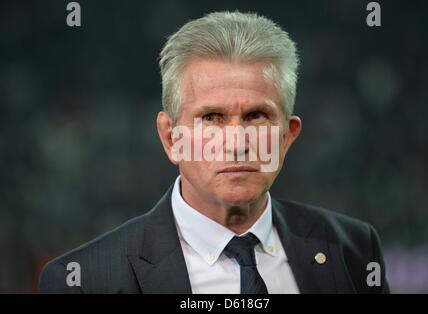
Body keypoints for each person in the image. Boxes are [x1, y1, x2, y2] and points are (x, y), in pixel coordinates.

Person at [39, 11, 389, 294]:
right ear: (170, 137)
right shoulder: (84, 281)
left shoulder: (353, 250)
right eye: (212, 118)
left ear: (287, 136)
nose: (237, 142)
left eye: (257, 115)